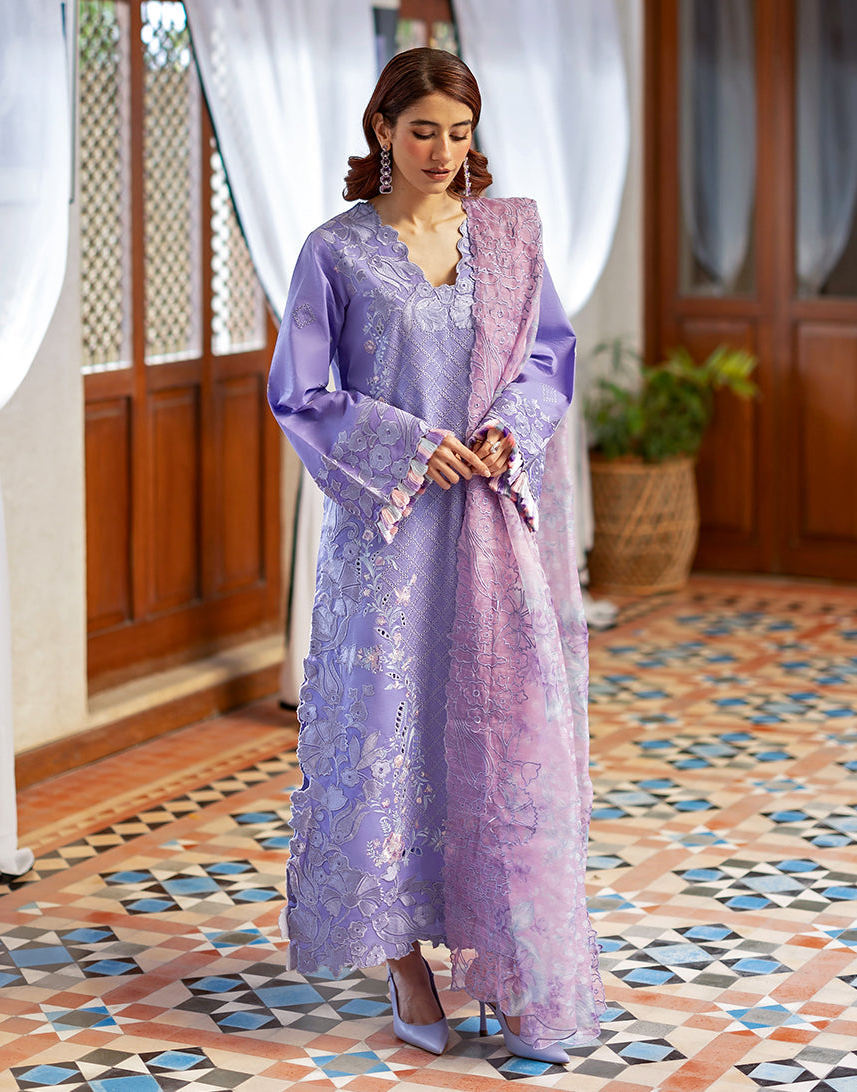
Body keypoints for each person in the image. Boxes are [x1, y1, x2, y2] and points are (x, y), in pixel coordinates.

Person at [267, 47, 605, 1063]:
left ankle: (513, 957)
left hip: (493, 531)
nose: (443, 152)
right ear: (383, 129)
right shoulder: (336, 253)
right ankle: (403, 957)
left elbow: (547, 356)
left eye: (459, 133)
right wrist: (410, 446)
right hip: (390, 542)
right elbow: (301, 395)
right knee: (391, 734)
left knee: (502, 735)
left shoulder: (506, 240)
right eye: (423, 131)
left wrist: (509, 427)